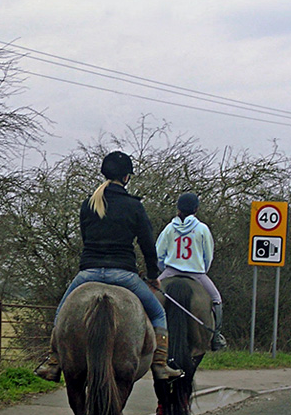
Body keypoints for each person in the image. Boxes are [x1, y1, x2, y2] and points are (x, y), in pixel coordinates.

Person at [35, 151, 182, 382]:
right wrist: (153, 275)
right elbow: (147, 245)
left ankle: (53, 362)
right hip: (124, 275)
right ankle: (161, 365)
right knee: (158, 313)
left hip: (89, 274)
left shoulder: (89, 205)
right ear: (126, 177)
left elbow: (86, 238)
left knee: (62, 312)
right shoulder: (134, 206)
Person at [154, 192, 227, 351]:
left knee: (149, 295)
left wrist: (163, 269)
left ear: (178, 209)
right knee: (216, 299)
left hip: (170, 272)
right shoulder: (202, 229)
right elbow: (208, 255)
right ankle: (216, 337)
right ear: (196, 209)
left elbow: (159, 254)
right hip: (197, 274)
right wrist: (202, 270)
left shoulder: (169, 229)